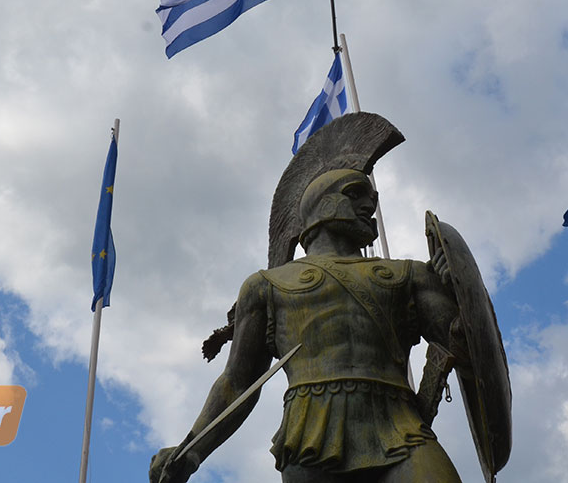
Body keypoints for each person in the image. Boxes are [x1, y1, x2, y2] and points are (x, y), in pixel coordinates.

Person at [149, 168, 466, 482]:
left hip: (402, 426)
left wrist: (457, 291)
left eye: (373, 198)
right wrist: (191, 450)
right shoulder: (266, 286)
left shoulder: (410, 274)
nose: (370, 205)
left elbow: (462, 345)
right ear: (320, 204)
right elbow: (237, 382)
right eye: (355, 194)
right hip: (311, 436)